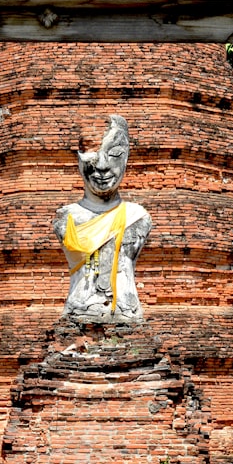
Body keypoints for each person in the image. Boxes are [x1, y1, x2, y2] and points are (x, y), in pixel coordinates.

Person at [53, 114, 151, 322]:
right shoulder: (66, 217)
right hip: (79, 310)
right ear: (79, 161)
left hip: (126, 313)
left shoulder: (138, 217)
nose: (102, 166)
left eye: (115, 154)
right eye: (92, 157)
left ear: (126, 157)